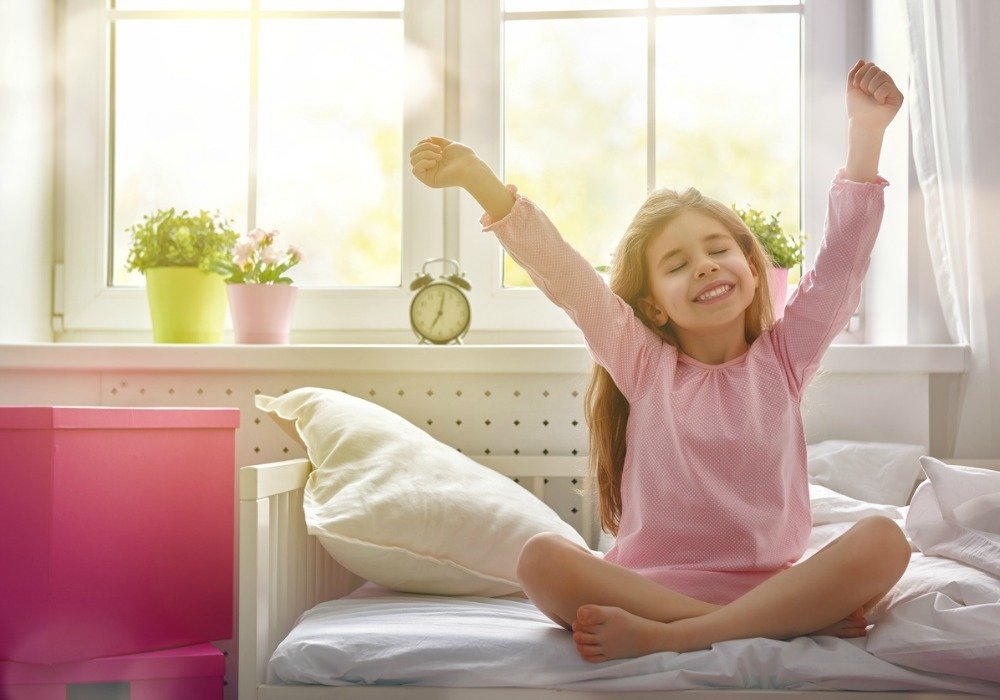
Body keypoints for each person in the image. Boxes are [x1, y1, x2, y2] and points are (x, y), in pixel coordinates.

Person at [409, 59, 908, 663]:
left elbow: (841, 266)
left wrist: (868, 134)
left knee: (886, 540)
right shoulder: (643, 365)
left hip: (770, 587)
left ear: (753, 269)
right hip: (650, 591)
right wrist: (479, 181)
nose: (704, 265)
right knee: (540, 558)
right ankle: (748, 625)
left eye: (719, 248)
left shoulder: (783, 358)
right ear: (654, 305)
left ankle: (689, 635)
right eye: (677, 264)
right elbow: (567, 278)